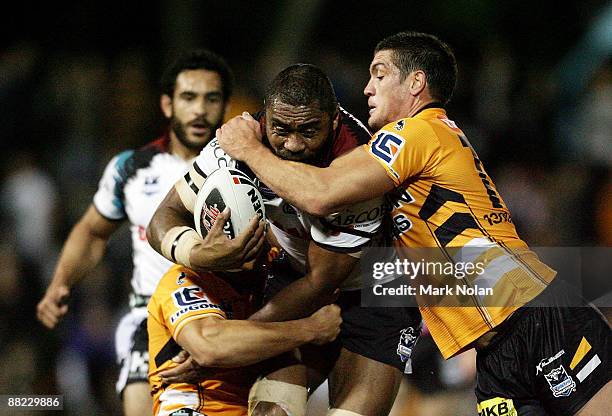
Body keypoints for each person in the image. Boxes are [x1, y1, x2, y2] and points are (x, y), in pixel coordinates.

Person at [215, 32, 611, 415]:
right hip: (492, 352)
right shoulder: (406, 143)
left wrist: (249, 148)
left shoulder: (418, 131)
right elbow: (319, 185)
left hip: (534, 314)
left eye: (380, 74)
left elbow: (320, 192)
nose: (368, 88)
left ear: (416, 82)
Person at [147, 64, 422, 416]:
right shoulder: (235, 142)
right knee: (274, 412)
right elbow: (163, 217)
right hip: (291, 278)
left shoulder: (358, 162)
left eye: (309, 130)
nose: (293, 144)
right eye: (281, 128)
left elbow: (322, 281)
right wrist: (199, 254)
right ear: (265, 119)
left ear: (334, 120)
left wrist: (232, 346)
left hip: (375, 285)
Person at [35, 49, 261, 416]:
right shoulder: (132, 168)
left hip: (230, 321)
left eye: (211, 98)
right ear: (167, 104)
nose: (200, 110)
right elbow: (93, 232)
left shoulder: (250, 168)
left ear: (225, 104)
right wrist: (61, 282)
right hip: (150, 318)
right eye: (189, 97)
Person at [148, 262, 341, 416]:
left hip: (249, 401)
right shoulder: (185, 279)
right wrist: (310, 329)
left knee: (287, 358)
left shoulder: (273, 267)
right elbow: (210, 347)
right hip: (197, 404)